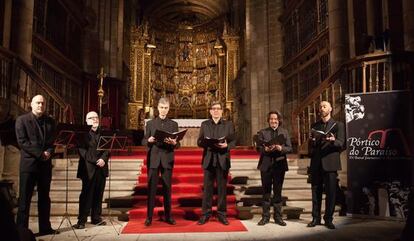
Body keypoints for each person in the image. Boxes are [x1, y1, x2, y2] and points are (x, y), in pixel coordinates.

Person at [15, 95, 58, 236]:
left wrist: (49, 152)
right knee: (24, 199)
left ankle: (45, 228)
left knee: (45, 197)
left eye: (43, 103)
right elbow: (23, 142)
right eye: (38, 103)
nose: (41, 105)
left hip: (45, 166)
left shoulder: (51, 122)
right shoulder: (22, 120)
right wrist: (41, 154)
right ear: (31, 104)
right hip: (29, 165)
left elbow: (52, 143)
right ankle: (22, 231)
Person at [307, 101, 345, 229]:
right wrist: (312, 141)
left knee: (331, 193)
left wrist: (333, 141)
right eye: (320, 106)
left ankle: (328, 219)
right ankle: (315, 218)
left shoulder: (338, 125)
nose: (322, 108)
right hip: (316, 163)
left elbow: (342, 143)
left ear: (330, 109)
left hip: (330, 162)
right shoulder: (315, 125)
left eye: (324, 106)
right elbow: (310, 147)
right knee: (315, 192)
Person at [142, 97, 180, 226]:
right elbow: (144, 140)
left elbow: (177, 144)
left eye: (166, 108)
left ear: (169, 109)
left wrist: (175, 143)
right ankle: (149, 217)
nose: (163, 110)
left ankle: (168, 216)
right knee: (151, 189)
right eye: (161, 108)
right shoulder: (151, 123)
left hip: (167, 158)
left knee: (167, 189)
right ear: (157, 108)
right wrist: (149, 141)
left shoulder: (173, 124)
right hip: (153, 158)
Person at [197, 101, 235, 225]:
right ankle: (205, 214)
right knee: (207, 189)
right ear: (210, 111)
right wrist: (206, 142)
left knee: (221, 189)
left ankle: (222, 214)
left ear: (222, 111)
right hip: (209, 159)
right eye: (214, 108)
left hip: (222, 159)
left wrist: (226, 145)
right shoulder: (205, 124)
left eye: (218, 108)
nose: (216, 111)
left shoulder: (228, 124)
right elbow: (199, 142)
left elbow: (233, 141)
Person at [73, 111, 109, 229]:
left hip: (101, 168)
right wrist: (96, 161)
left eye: (96, 117)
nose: (95, 120)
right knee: (86, 195)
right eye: (91, 118)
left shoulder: (104, 133)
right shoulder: (81, 134)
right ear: (86, 121)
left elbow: (108, 149)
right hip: (88, 168)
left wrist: (103, 159)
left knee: (99, 194)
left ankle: (96, 218)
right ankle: (81, 220)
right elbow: (83, 152)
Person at [256, 111, 292, 226]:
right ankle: (265, 217)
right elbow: (258, 147)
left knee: (277, 192)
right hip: (266, 165)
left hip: (279, 165)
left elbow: (290, 148)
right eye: (271, 119)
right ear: (268, 120)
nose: (273, 121)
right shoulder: (263, 132)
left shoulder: (284, 132)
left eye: (275, 119)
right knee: (266, 192)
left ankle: (278, 217)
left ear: (279, 120)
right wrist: (264, 149)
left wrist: (280, 148)